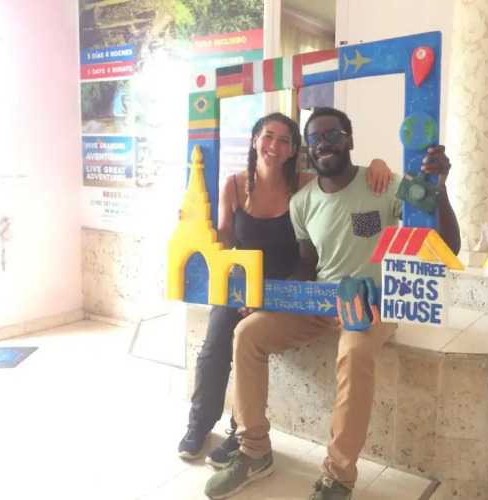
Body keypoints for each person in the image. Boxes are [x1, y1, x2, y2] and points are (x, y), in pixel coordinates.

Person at [203, 107, 460, 499]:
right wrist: (274, 300)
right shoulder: (302, 202)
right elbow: (308, 265)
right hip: (321, 303)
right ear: (308, 149)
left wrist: (437, 188)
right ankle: (253, 451)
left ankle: (338, 477)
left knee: (355, 352)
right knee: (247, 333)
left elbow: (448, 245)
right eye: (315, 138)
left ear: (349, 139)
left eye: (333, 135)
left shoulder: (384, 184)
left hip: (373, 306)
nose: (324, 143)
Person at [178, 112, 396, 468]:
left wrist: (379, 163)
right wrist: (203, 240)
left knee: (343, 350)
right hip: (252, 285)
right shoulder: (240, 186)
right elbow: (226, 238)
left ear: (294, 149)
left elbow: (344, 180)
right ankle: (207, 425)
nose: (274, 146)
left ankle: (250, 436)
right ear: (254, 140)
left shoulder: (307, 184)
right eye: (268, 136)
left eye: (284, 140)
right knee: (220, 340)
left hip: (296, 285)